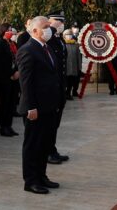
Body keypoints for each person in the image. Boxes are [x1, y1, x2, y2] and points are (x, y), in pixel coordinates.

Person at [17, 16, 63, 195]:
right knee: (33, 145)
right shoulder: (28, 50)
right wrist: (31, 107)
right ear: (35, 30)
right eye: (45, 27)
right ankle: (31, 180)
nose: (49, 30)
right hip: (35, 108)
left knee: (44, 143)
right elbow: (26, 82)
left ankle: (42, 176)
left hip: (49, 106)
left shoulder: (46, 48)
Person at [46, 11, 70, 164]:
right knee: (49, 123)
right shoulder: (48, 40)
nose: (61, 25)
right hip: (52, 88)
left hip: (60, 86)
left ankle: (52, 149)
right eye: (58, 22)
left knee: (56, 122)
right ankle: (48, 152)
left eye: (62, 22)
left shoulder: (59, 39)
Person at [0, 25, 20, 137]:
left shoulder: (12, 43)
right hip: (4, 78)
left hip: (14, 77)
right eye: (8, 30)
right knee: (4, 104)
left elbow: (16, 59)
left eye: (11, 30)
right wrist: (10, 74)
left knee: (11, 103)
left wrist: (17, 71)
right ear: (2, 31)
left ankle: (9, 126)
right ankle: (3, 127)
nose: (10, 32)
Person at [62, 29, 82, 98]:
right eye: (67, 35)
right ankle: (65, 93)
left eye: (70, 34)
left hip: (74, 66)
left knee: (72, 81)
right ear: (64, 36)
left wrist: (79, 66)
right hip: (66, 67)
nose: (69, 36)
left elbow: (78, 57)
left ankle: (69, 93)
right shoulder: (63, 44)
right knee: (65, 81)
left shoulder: (75, 45)